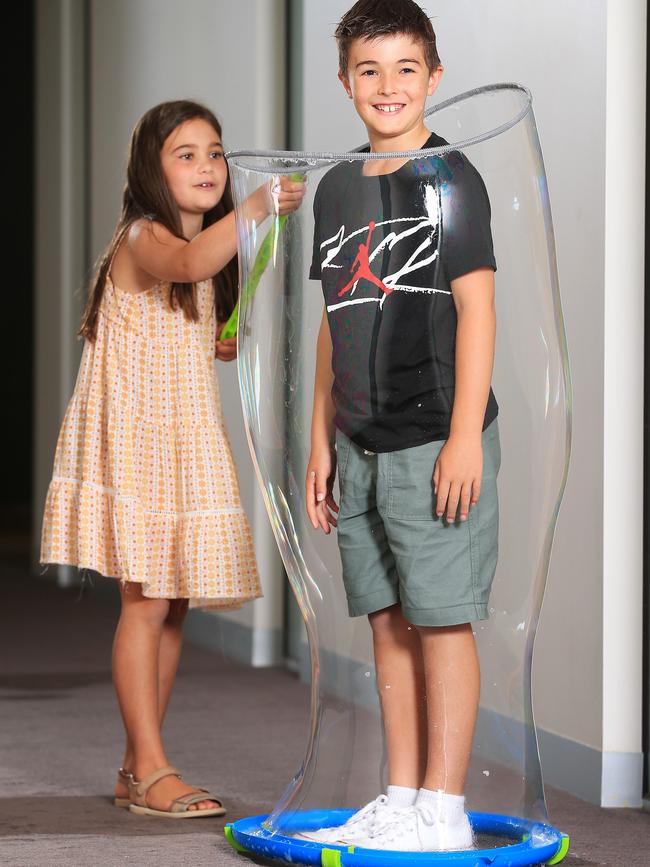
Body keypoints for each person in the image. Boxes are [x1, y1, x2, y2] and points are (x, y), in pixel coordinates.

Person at [40, 100, 305, 819]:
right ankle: (152, 766)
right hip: (139, 440)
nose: (207, 165)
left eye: (215, 152)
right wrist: (252, 207)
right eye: (185, 153)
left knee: (174, 601)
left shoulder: (199, 256)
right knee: (148, 598)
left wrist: (223, 334)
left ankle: (137, 763)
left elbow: (204, 308)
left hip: (183, 435)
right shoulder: (143, 237)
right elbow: (187, 259)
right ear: (150, 172)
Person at [303, 0, 500, 852]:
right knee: (386, 618)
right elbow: (332, 317)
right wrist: (320, 438)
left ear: (434, 76)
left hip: (432, 435)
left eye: (406, 68)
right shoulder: (337, 186)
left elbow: (479, 308)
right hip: (359, 437)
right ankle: (403, 791)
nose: (388, 87)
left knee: (439, 617)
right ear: (345, 82)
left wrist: (463, 437)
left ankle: (446, 808)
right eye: (370, 70)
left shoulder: (451, 178)